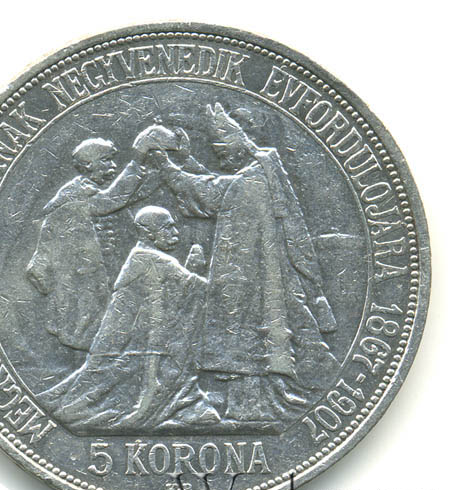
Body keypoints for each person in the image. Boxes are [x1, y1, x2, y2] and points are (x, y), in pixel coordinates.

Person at [155, 103, 339, 431]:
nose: (221, 159)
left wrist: (166, 166)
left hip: (249, 285)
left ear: (239, 146)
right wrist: (185, 161)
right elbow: (220, 185)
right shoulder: (260, 174)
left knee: (248, 338)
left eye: (222, 152)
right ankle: (251, 404)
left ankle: (253, 408)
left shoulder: (250, 182)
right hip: (255, 280)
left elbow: (210, 192)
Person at [38, 206, 220, 434]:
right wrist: (197, 268)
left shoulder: (138, 257)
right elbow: (200, 289)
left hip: (122, 345)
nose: (175, 232)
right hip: (137, 349)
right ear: (149, 233)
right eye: (168, 227)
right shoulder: (157, 260)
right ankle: (178, 404)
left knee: (93, 384)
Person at [26, 127, 179, 351]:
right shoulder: (77, 191)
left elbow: (124, 199)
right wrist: (138, 159)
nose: (113, 166)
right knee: (83, 319)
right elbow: (111, 201)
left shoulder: (86, 188)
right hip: (78, 272)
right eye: (106, 161)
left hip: (87, 270)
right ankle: (89, 354)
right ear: (89, 165)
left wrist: (158, 174)